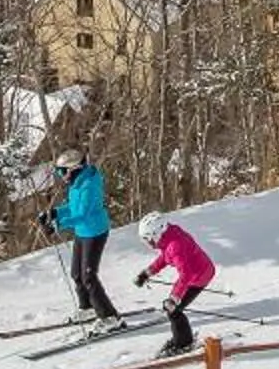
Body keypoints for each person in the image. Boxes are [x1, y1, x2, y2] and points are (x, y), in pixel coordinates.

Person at [36, 152, 118, 324]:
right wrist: (55, 213)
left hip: (94, 232)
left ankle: (110, 318)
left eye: (61, 171)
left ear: (73, 168)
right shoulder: (77, 182)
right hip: (82, 232)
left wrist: (58, 224)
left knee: (89, 277)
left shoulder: (88, 185)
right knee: (76, 274)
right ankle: (87, 309)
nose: (60, 175)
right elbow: (74, 207)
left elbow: (83, 214)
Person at [131, 212, 217, 355]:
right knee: (173, 309)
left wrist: (174, 298)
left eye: (148, 239)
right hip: (197, 273)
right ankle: (181, 339)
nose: (148, 243)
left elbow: (186, 274)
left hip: (199, 277)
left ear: (157, 233)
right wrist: (147, 273)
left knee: (174, 311)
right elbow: (165, 257)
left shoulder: (174, 245)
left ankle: (184, 344)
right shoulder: (168, 236)